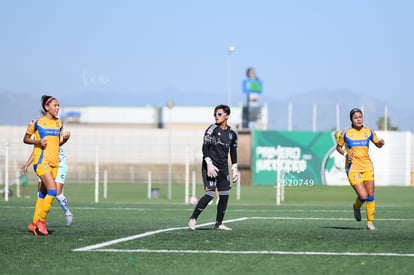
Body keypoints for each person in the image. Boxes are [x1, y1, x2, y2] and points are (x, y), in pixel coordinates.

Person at [188, 104, 239, 230]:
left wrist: (234, 168)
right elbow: (205, 147)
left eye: (219, 114)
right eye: (215, 114)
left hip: (223, 168)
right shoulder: (212, 129)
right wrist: (209, 163)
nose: (216, 116)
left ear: (227, 116)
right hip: (210, 166)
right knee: (210, 193)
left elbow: (233, 152)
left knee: (224, 195)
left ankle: (219, 223)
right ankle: (193, 218)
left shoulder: (232, 134)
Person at [23, 95, 69, 235]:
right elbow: (26, 139)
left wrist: (65, 140)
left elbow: (56, 144)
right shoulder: (36, 122)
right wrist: (37, 142)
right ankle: (41, 221)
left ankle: (33, 224)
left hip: (55, 163)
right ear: (46, 107)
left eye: (58, 105)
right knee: (53, 191)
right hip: (41, 162)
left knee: (42, 194)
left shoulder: (59, 123)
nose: (57, 108)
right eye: (55, 105)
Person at [336, 108, 385, 231]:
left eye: (360, 117)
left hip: (367, 167)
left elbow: (377, 144)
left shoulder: (369, 131)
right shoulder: (345, 133)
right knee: (363, 196)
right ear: (351, 119)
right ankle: (356, 207)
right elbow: (339, 147)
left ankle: (370, 223)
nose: (359, 119)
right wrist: (346, 154)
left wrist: (380, 143)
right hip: (353, 168)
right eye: (356, 117)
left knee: (370, 196)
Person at [22, 146, 73, 226]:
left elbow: (59, 143)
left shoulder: (56, 134)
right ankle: (40, 219)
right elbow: (36, 150)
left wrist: (64, 139)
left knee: (57, 193)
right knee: (40, 193)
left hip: (59, 165)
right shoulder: (39, 135)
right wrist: (27, 164)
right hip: (45, 164)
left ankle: (68, 213)